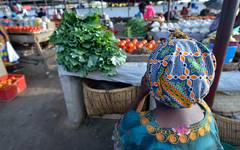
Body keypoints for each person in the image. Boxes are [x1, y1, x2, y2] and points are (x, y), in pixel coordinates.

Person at [113, 37, 224, 149]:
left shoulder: (138, 129)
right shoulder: (205, 111)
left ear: (151, 81)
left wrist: (141, 94)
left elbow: (123, 128)